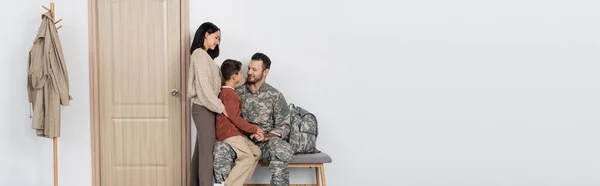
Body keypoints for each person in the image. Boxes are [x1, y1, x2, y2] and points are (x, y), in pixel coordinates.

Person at [235, 52, 294, 186]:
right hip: (243, 143)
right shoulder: (237, 93)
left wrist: (265, 136)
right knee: (221, 148)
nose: (249, 72)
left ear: (265, 72)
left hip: (266, 144)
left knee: (280, 146)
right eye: (249, 68)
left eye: (254, 70)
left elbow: (284, 125)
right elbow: (229, 120)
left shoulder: (275, 95)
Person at [188, 22, 229, 186]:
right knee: (207, 154)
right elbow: (204, 87)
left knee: (200, 153)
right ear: (206, 34)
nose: (217, 42)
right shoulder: (199, 54)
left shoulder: (205, 56)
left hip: (205, 108)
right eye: (215, 37)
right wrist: (221, 108)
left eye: (219, 39)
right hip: (204, 109)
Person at [215, 59, 265, 186]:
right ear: (234, 76)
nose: (243, 75)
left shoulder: (229, 93)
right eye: (240, 73)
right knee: (247, 158)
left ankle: (239, 181)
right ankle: (227, 184)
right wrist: (254, 129)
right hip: (229, 133)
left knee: (256, 152)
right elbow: (235, 118)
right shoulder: (229, 94)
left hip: (235, 132)